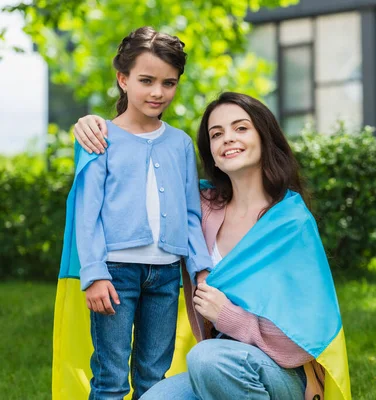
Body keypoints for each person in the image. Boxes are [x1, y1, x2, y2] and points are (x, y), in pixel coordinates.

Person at [72, 92, 352, 400]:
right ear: (211, 152)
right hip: (215, 368)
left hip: (281, 372)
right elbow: (140, 180)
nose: (228, 139)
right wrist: (96, 126)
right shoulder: (202, 208)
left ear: (264, 136)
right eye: (216, 134)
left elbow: (301, 341)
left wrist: (227, 315)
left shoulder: (290, 222)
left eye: (241, 128)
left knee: (207, 357)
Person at [55, 26, 212, 400]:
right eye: (146, 80)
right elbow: (86, 212)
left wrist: (200, 269)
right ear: (123, 79)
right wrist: (93, 274)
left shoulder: (180, 143)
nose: (158, 92)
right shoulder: (100, 137)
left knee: (155, 376)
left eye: (169, 83)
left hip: (165, 276)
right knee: (110, 377)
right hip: (115, 274)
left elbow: (191, 213)